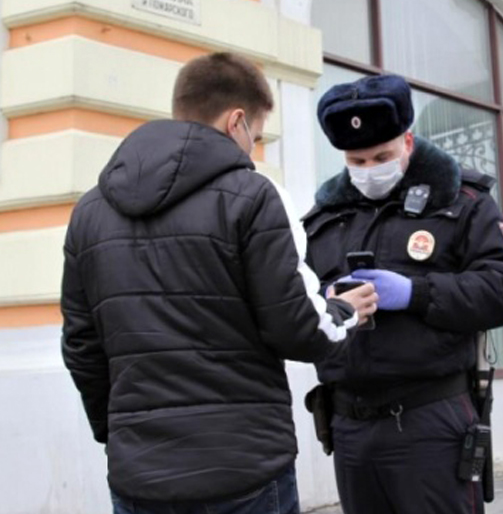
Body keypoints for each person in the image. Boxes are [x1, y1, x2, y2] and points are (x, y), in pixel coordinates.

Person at [60, 52, 378, 514]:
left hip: (140, 473)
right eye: (258, 136)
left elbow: (81, 345)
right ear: (237, 121)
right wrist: (345, 311)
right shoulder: (254, 197)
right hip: (244, 468)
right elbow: (298, 329)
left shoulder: (90, 212)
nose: (253, 149)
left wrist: (119, 434)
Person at [302, 74, 503, 514]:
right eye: (357, 160)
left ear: (407, 142)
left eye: (382, 156)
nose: (369, 169)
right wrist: (323, 301)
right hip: (349, 425)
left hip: (429, 421)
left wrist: (416, 292)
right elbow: (299, 302)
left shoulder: (462, 201)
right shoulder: (325, 216)